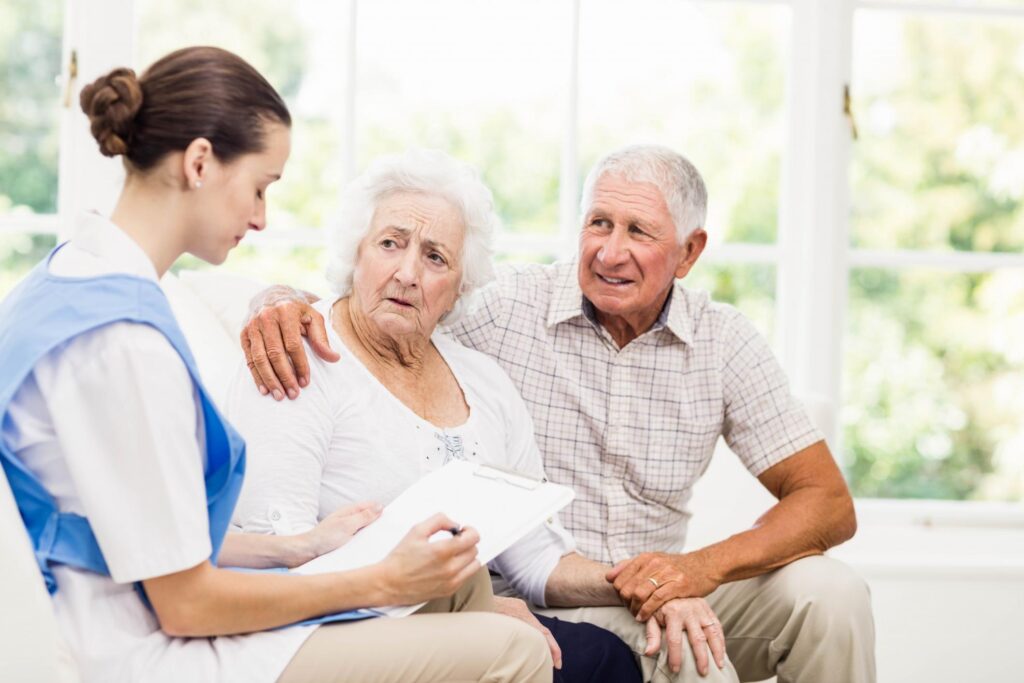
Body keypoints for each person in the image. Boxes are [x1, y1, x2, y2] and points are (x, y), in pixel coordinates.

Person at [0, 47, 552, 683]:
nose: (261, 217)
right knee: (517, 649)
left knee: (462, 585)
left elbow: (134, 531)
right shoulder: (125, 345)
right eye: (260, 187)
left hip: (130, 602)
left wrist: (298, 547)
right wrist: (376, 579)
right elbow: (187, 604)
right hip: (148, 650)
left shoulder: (68, 276)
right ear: (200, 163)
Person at [243, 144, 877, 683]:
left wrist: (692, 574)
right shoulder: (504, 308)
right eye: (598, 223)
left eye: (639, 232)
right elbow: (369, 299)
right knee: (691, 664)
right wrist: (276, 300)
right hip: (533, 602)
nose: (609, 252)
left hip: (636, 583)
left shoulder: (723, 342)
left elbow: (827, 503)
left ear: (688, 253)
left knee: (832, 594)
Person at [225, 149, 646, 683]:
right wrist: (467, 610)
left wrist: (648, 584)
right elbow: (280, 552)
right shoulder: (296, 354)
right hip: (336, 626)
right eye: (390, 244)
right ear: (356, 254)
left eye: (435, 258)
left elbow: (537, 555)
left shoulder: (486, 383)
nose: (407, 272)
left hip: (464, 607)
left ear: (458, 289)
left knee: (605, 658)